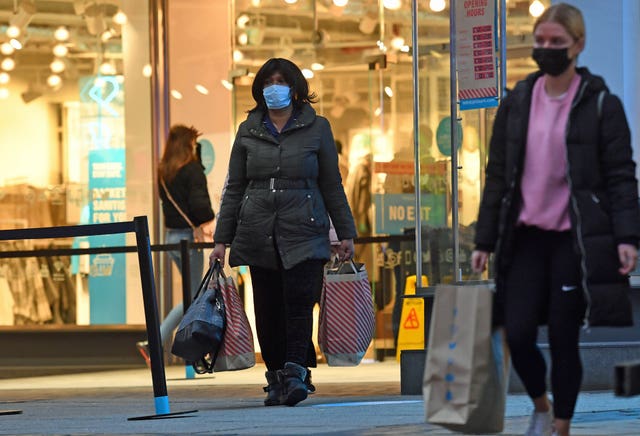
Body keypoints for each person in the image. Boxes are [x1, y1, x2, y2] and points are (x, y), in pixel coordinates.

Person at [471, 4, 640, 436]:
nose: (546, 50)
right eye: (540, 41)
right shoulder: (518, 102)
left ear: (578, 45)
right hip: (525, 238)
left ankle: (561, 425)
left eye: (556, 43)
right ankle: (541, 405)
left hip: (573, 241)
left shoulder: (602, 105)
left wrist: (627, 237)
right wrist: (484, 240)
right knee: (520, 333)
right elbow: (497, 175)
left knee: (564, 335)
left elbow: (622, 177)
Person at [210, 58, 357, 407]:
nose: (274, 86)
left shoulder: (317, 128)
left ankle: (295, 372)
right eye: (268, 81)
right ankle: (275, 375)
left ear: (295, 88)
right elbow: (234, 187)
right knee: (267, 307)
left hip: (305, 227)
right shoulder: (248, 129)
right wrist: (221, 240)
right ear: (260, 88)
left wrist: (345, 232)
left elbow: (331, 183)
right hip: (258, 229)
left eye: (281, 80)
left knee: (299, 302)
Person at [137, 124, 215, 365]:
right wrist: (208, 219)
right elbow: (200, 206)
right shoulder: (191, 170)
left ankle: (190, 351)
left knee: (191, 294)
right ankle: (156, 340)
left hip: (171, 238)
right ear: (188, 144)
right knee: (193, 296)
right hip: (188, 239)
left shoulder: (164, 172)